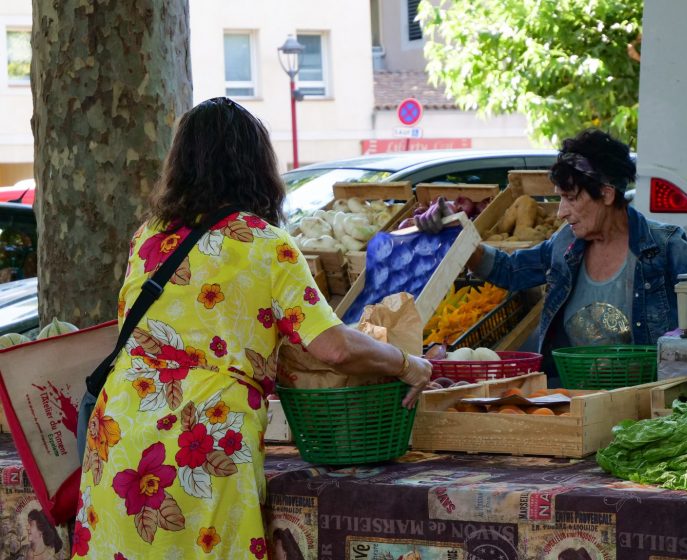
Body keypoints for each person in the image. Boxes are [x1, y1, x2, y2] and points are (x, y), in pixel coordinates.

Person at [74, 97, 431, 559]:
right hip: (201, 439)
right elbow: (334, 347)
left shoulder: (150, 237)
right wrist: (408, 363)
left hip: (121, 435)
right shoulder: (264, 244)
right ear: (257, 165)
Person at [418, 129, 687, 379]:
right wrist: (459, 233)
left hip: (647, 405)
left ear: (606, 194)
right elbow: (509, 270)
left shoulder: (664, 248)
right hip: (572, 398)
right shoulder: (565, 244)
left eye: (571, 198)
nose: (560, 211)